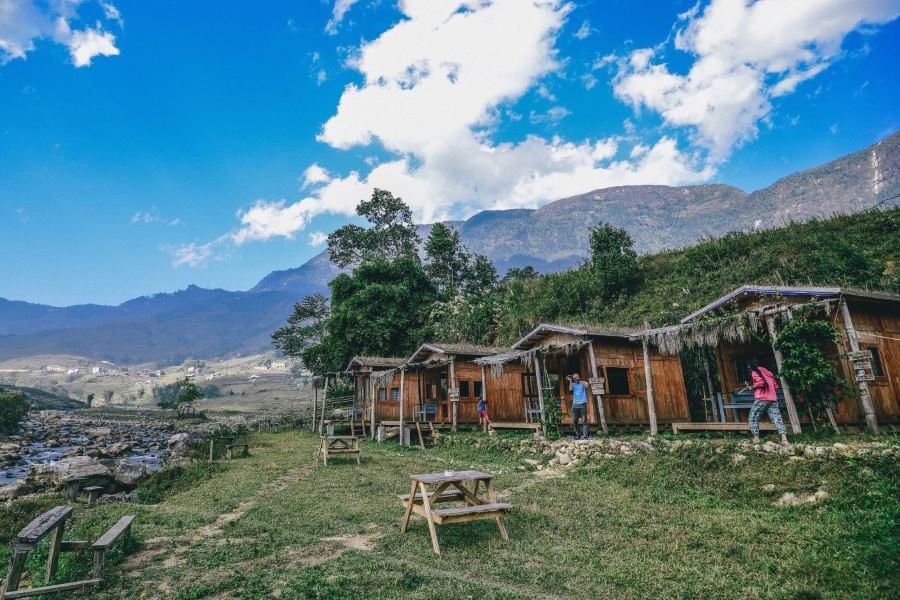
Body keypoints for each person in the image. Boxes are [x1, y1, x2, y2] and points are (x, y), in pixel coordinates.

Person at [747, 358, 789, 446]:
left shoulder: (755, 372)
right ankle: (784, 439)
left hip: (762, 399)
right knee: (777, 418)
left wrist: (752, 387)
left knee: (753, 417)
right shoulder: (768, 373)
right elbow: (776, 386)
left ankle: (756, 438)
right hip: (772, 399)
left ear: (750, 366)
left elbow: (761, 383)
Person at [567, 373, 590, 440]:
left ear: (579, 377)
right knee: (574, 421)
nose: (575, 379)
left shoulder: (583, 383)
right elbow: (570, 389)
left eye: (576, 378)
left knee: (584, 420)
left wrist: (579, 381)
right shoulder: (573, 384)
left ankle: (585, 436)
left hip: (583, 404)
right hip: (575, 405)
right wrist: (570, 380)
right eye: (574, 378)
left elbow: (587, 386)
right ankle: (578, 434)